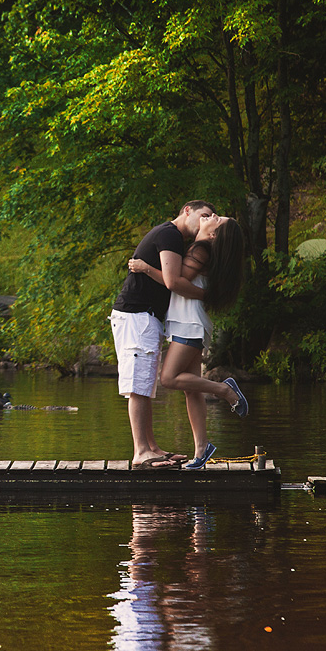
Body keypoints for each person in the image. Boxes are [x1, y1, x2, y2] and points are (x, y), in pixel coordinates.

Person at [127, 215, 249, 470]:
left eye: (217, 219)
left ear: (214, 234)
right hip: (193, 323)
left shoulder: (200, 249)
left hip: (188, 324)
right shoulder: (204, 250)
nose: (211, 216)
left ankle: (225, 390)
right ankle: (202, 449)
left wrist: (145, 268)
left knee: (169, 378)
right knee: (191, 390)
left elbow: (174, 281)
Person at [109, 200, 215, 469]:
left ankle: (152, 447)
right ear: (187, 210)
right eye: (203, 215)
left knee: (145, 384)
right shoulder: (169, 234)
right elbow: (173, 281)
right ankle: (141, 452)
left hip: (146, 317)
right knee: (138, 386)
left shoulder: (178, 240)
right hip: (136, 314)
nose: (205, 221)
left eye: (210, 219)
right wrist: (211, 297)